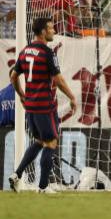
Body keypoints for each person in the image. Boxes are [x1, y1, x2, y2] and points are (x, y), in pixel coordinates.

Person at [8, 17, 78, 193]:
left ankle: (17, 174)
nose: (53, 31)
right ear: (42, 32)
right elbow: (58, 79)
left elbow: (13, 76)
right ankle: (43, 187)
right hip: (44, 106)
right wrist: (72, 97)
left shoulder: (25, 51)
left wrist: (22, 95)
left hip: (31, 106)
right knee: (51, 143)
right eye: (50, 28)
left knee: (40, 141)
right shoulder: (47, 53)